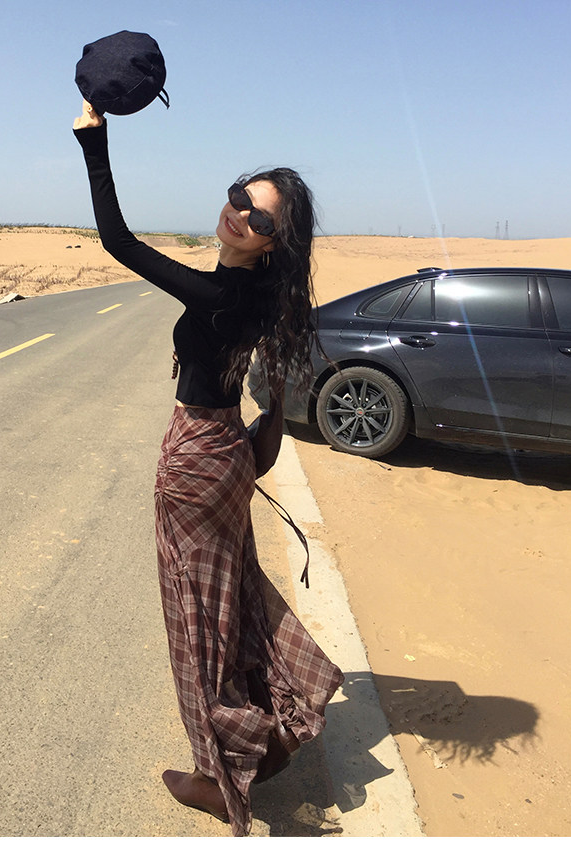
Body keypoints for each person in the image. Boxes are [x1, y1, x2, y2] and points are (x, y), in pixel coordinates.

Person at [73, 100, 343, 837]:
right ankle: (277, 717)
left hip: (196, 458)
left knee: (195, 614)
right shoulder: (259, 292)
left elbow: (117, 240)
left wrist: (94, 140)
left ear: (274, 241)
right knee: (232, 594)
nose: (238, 215)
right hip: (227, 454)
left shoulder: (223, 293)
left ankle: (218, 773)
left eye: (258, 217)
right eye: (238, 197)